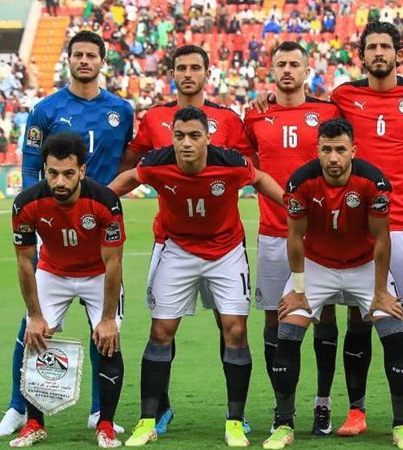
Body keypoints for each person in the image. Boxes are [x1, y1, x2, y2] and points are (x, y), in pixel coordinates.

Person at [252, 21, 403, 436]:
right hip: (354, 227)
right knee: (358, 317)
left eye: (386, 46)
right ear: (362, 54)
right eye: (372, 47)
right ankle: (356, 410)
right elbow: (315, 125)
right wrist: (271, 99)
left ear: (399, 52)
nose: (379, 53)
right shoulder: (342, 97)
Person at [108, 106, 284, 448]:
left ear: (207, 138)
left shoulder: (230, 163)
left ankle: (235, 422)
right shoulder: (157, 162)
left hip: (226, 252)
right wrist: (98, 200)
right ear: (172, 137)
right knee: (161, 331)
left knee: (235, 330)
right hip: (178, 251)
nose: (186, 143)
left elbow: (261, 179)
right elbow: (130, 177)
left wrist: (291, 204)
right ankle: (147, 422)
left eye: (194, 136)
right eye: (179, 136)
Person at [0, 30, 134, 438]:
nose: (84, 60)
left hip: (99, 220)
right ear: (68, 60)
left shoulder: (121, 110)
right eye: (78, 54)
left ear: (102, 61)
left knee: (104, 324)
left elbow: (127, 160)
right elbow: (30, 164)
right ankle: (19, 408)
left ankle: (99, 411)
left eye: (91, 55)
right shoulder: (45, 109)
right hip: (52, 223)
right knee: (32, 321)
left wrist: (107, 198)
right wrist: (37, 215)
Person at [116, 45, 254, 436]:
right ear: (173, 73)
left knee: (230, 325)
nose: (188, 73)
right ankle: (159, 408)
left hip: (223, 242)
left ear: (208, 73)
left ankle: (235, 415)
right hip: (170, 239)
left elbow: (251, 168)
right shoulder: (154, 117)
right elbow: (133, 165)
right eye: (181, 67)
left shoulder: (228, 119)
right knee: (164, 325)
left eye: (196, 67)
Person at [261, 118, 403, 450]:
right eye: (327, 150)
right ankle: (284, 423)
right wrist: (299, 289)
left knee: (394, 334)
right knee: (287, 332)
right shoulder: (300, 182)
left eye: (341, 150)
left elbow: (382, 239)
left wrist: (380, 292)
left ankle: (401, 425)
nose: (333, 158)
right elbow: (295, 236)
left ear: (353, 151)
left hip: (364, 266)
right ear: (317, 150)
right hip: (317, 266)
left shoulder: (374, 183)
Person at [243, 41, 342, 435]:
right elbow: (250, 168)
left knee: (324, 315)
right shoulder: (256, 115)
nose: (287, 70)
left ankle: (323, 403)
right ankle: (282, 406)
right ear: (271, 70)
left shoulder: (327, 113)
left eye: (294, 64)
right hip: (273, 233)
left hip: (320, 235)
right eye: (280, 63)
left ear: (307, 70)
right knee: (275, 318)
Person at [8, 133, 126, 448]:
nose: (60, 181)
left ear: (82, 171)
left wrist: (107, 319)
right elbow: (25, 261)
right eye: (53, 173)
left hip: (97, 274)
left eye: (68, 173)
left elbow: (114, 263)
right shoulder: (25, 203)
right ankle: (34, 423)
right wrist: (34, 315)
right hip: (53, 272)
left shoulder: (106, 202)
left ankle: (105, 424)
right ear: (44, 170)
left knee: (108, 341)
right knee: (35, 336)